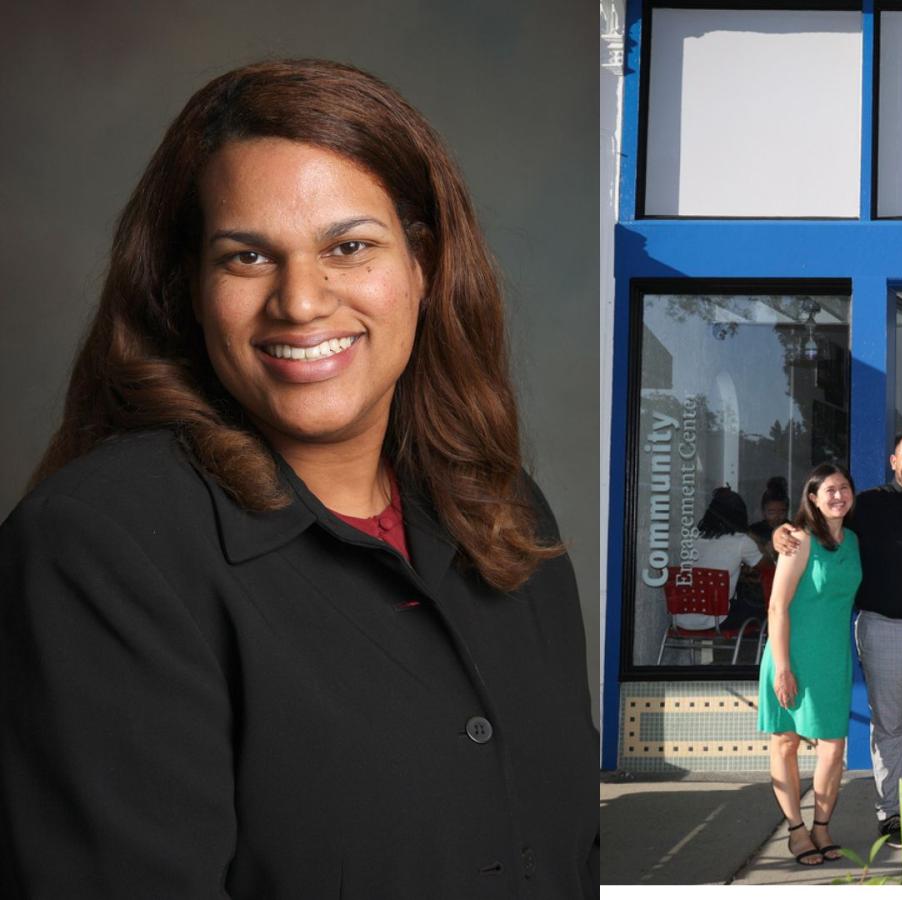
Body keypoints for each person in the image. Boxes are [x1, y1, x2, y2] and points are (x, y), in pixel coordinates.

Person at [0, 60, 596, 897]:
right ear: (190, 288)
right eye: (248, 257)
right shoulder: (100, 548)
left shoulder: (508, 517)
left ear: (421, 264)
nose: (302, 302)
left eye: (349, 247)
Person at [775, 426, 902, 845]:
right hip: (884, 628)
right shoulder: (867, 505)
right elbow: (818, 521)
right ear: (894, 461)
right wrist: (780, 531)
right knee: (890, 726)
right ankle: (890, 811)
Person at [758, 463, 861, 866]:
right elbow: (777, 606)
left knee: (833, 747)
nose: (838, 495)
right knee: (785, 741)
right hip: (792, 654)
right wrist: (782, 667)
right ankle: (797, 831)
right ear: (813, 498)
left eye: (844, 489)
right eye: (829, 490)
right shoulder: (798, 539)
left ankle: (822, 826)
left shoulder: (853, 539)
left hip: (834, 657)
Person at [680, 486, 763, 632]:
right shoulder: (742, 542)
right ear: (740, 515)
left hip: (680, 618)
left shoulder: (692, 538)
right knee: (765, 612)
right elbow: (766, 566)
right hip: (717, 620)